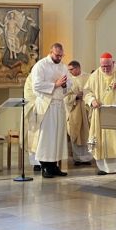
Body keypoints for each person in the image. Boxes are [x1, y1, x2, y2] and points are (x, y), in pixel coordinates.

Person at [84, 52, 116, 175]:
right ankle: (103, 168)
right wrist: (92, 100)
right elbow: (86, 91)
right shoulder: (95, 75)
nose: (106, 69)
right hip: (101, 112)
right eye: (103, 67)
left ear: (113, 63)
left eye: (108, 66)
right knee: (102, 139)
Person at [31, 43, 71, 178]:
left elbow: (69, 86)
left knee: (58, 137)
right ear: (51, 52)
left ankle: (54, 166)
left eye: (61, 56)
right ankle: (45, 167)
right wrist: (55, 84)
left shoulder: (63, 67)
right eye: (57, 55)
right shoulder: (41, 65)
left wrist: (65, 85)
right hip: (47, 104)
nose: (59, 58)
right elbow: (36, 85)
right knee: (47, 137)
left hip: (59, 105)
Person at [65, 60, 93, 165]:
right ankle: (77, 158)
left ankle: (88, 158)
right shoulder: (68, 80)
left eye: (71, 69)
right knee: (75, 132)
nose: (69, 71)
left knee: (87, 132)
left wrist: (85, 94)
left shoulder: (89, 77)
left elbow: (93, 91)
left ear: (78, 68)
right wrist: (75, 96)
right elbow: (64, 96)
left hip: (86, 110)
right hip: (74, 110)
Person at [22, 73, 41, 172]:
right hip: (33, 110)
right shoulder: (31, 78)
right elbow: (29, 94)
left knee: (43, 138)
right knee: (33, 137)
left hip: (44, 112)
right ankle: (36, 163)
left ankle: (46, 161)